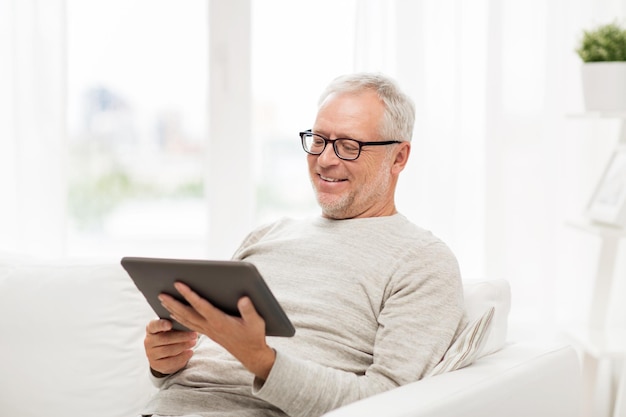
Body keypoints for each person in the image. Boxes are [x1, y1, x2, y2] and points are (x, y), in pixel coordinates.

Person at [141, 72, 466, 417]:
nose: (325, 160)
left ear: (399, 158)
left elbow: (387, 402)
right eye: (319, 140)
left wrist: (262, 361)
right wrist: (166, 363)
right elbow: (204, 369)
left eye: (348, 146)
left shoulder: (422, 260)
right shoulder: (269, 235)